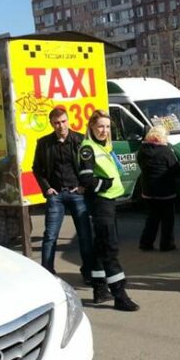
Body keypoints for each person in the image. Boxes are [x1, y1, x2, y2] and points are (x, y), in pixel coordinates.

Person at [78, 110, 140, 311]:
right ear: (91, 128)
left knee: (100, 247)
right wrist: (103, 185)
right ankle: (120, 295)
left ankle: (99, 290)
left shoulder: (103, 146)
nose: (104, 130)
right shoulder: (88, 148)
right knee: (110, 248)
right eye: (100, 127)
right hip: (101, 202)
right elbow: (86, 178)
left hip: (109, 201)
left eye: (107, 127)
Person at [32, 106, 94, 285]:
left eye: (64, 121)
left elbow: (88, 166)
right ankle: (47, 273)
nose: (61, 126)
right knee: (50, 235)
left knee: (84, 234)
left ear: (69, 120)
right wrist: (47, 188)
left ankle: (88, 271)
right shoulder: (44, 143)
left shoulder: (80, 140)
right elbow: (37, 168)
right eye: (57, 123)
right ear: (51, 124)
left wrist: (83, 186)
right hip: (56, 195)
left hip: (77, 193)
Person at [136, 124, 180, 252]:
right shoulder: (166, 152)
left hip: (148, 191)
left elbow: (140, 164)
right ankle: (166, 244)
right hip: (165, 192)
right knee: (167, 220)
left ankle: (146, 243)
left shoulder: (142, 151)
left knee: (151, 219)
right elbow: (175, 169)